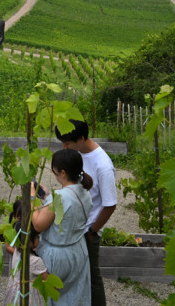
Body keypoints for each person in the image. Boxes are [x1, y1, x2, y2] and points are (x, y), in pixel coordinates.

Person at [56, 119, 118, 306]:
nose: (65, 148)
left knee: (92, 277)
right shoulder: (78, 153)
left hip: (87, 232)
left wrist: (92, 231)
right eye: (62, 143)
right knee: (75, 276)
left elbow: (110, 205)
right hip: (72, 227)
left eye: (68, 143)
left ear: (82, 138)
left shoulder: (103, 165)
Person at [30, 148, 92, 306]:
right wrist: (45, 198)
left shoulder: (59, 197)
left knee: (51, 298)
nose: (54, 174)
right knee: (74, 297)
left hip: (58, 255)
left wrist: (32, 197)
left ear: (63, 173)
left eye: (55, 171)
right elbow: (64, 209)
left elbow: (38, 224)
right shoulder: (85, 192)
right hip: (78, 251)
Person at [4, 225, 50, 306]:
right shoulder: (36, 261)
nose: (38, 239)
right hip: (29, 294)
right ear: (29, 241)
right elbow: (48, 280)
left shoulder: (16, 252)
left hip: (15, 291)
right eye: (36, 237)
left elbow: (7, 246)